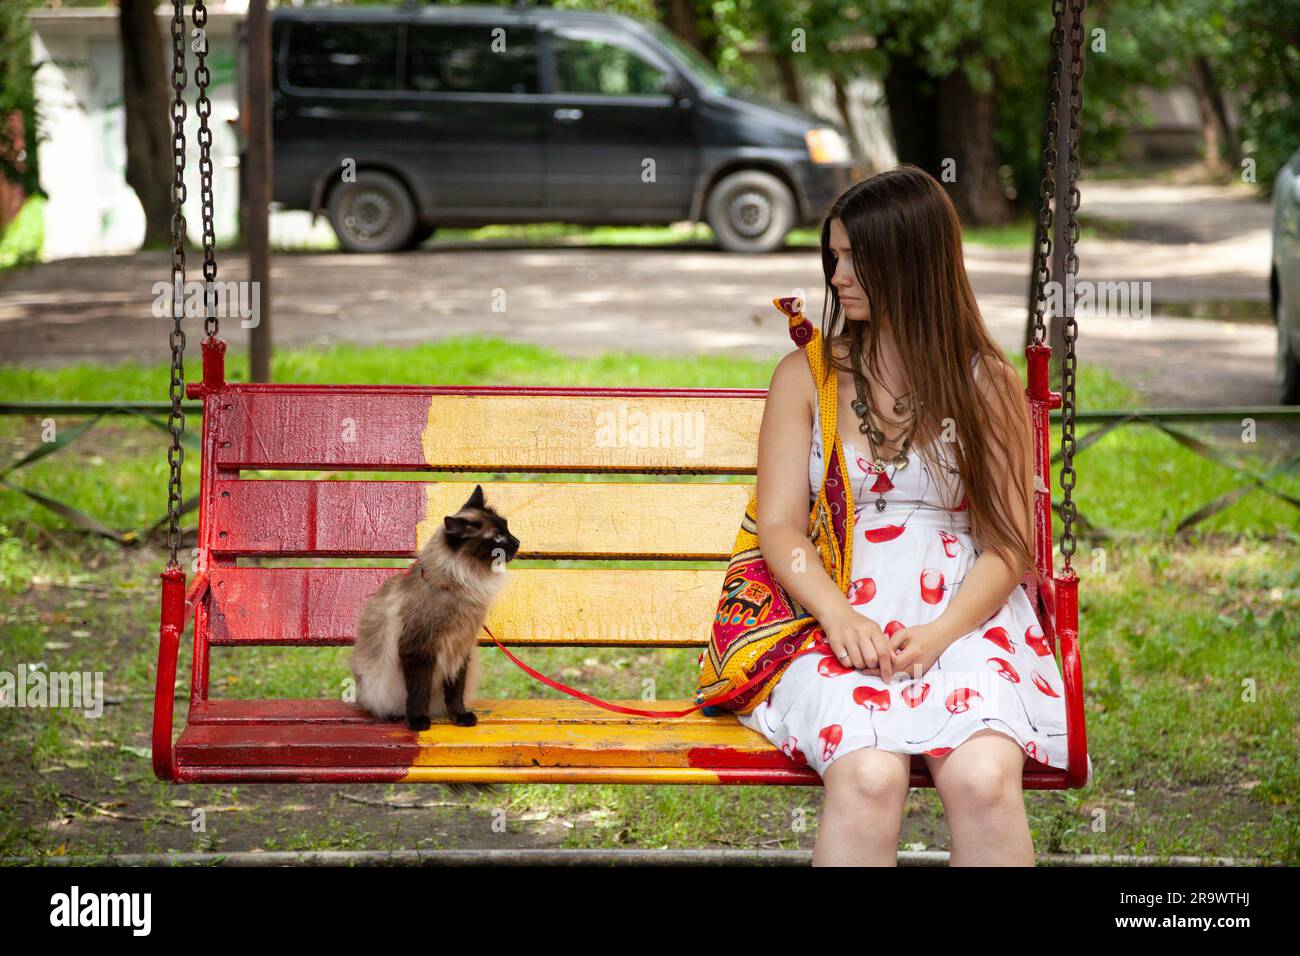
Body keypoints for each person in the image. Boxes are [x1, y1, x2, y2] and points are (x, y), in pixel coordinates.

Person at [740, 164, 1091, 866]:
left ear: (912, 263)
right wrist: (838, 616)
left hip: (966, 618)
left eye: (855, 258)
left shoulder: (981, 383)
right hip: (832, 613)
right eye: (832, 256)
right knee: (869, 776)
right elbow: (779, 526)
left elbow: (1008, 546)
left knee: (985, 777)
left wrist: (936, 634)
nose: (837, 275)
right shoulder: (805, 377)